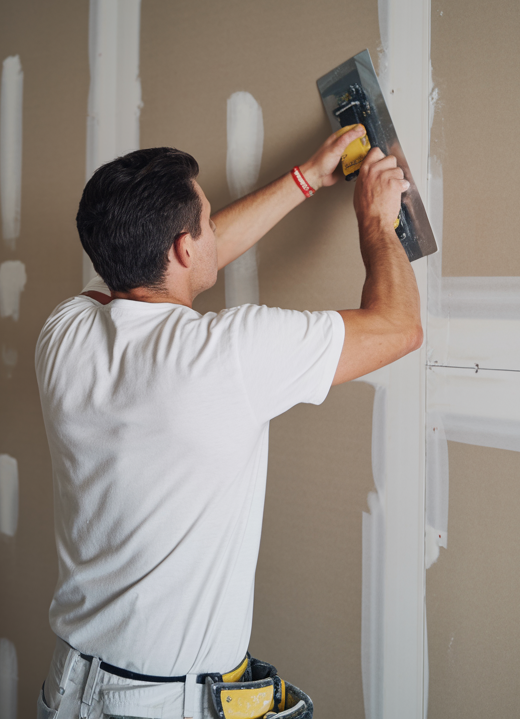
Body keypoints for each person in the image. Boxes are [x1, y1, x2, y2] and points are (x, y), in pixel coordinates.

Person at [34, 125, 421, 719]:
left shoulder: (65, 331)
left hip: (68, 686)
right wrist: (375, 217)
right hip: (158, 705)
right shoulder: (228, 354)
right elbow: (398, 328)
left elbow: (170, 267)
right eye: (208, 224)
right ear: (185, 248)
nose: (215, 232)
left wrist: (306, 179)